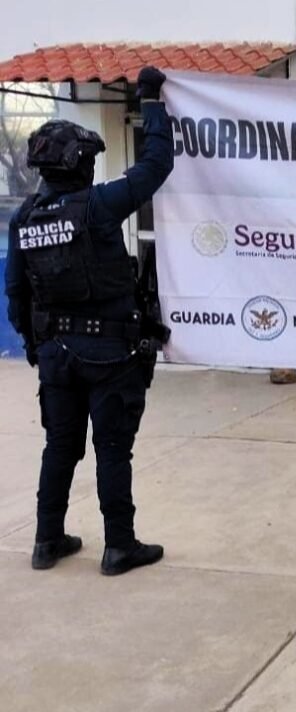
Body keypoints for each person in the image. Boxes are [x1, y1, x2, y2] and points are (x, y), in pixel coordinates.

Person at [4, 66, 174, 575]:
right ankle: (119, 546)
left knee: (59, 446)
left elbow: (16, 293)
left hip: (56, 357)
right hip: (110, 356)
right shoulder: (98, 206)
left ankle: (46, 541)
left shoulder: (25, 218)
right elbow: (156, 164)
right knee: (112, 449)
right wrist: (151, 101)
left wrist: (37, 347)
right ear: (78, 165)